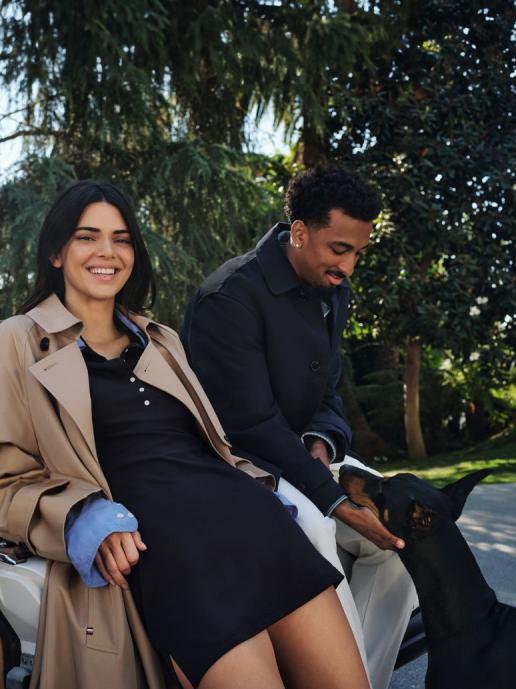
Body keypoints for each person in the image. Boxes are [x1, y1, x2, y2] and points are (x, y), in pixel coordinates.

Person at [0, 180, 369, 689]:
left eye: (122, 238)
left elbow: (214, 444)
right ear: (55, 252)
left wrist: (261, 488)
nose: (108, 252)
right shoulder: (18, 340)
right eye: (88, 237)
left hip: (250, 521)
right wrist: (82, 515)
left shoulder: (161, 339)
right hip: (170, 549)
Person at [180, 165, 419, 689]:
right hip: (237, 464)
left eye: (358, 253)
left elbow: (328, 391)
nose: (349, 267)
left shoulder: (331, 289)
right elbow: (248, 426)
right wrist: (333, 500)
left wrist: (322, 440)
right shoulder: (229, 298)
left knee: (399, 529)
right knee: (314, 528)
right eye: (339, 249)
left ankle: (365, 679)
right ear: (300, 231)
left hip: (300, 456)